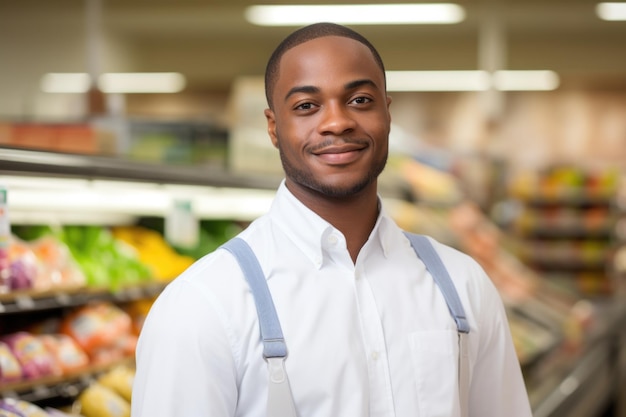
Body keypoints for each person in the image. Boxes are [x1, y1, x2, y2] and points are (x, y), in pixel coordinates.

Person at [131, 22, 532, 417]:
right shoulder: (203, 306)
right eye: (306, 106)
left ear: (387, 113)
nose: (337, 122)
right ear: (274, 128)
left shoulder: (463, 285)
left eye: (359, 100)